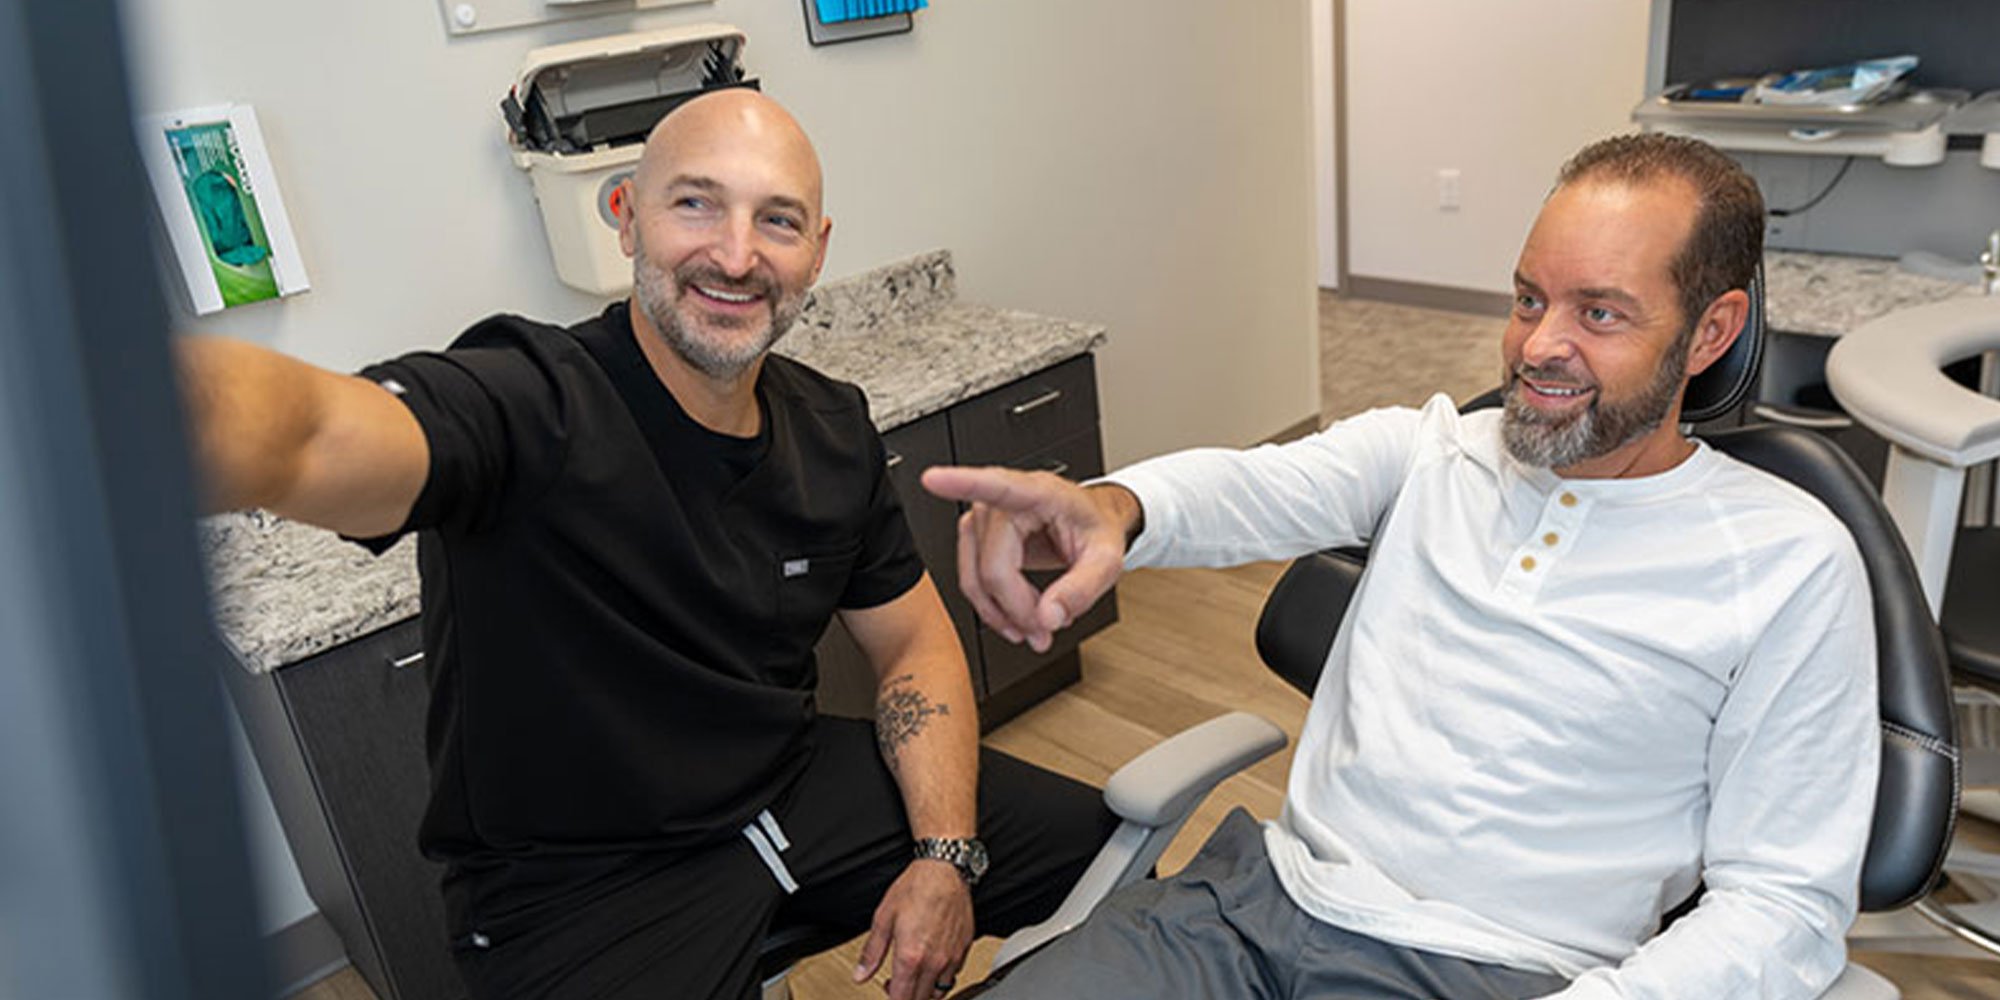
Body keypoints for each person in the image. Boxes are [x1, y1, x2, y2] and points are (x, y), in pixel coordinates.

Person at [177, 90, 1115, 1000]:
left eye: (778, 221)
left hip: (788, 788)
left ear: (818, 251)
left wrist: (945, 859)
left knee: (1109, 862)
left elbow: (912, 646)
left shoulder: (832, 430)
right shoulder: (531, 402)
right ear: (625, 218)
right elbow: (308, 433)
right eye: (695, 203)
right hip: (581, 880)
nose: (736, 254)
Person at [925, 133, 1878, 998]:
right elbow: (1249, 487)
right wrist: (1112, 510)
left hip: (1495, 971)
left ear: (1710, 332)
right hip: (1247, 910)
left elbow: (1784, 903)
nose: (1540, 346)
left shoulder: (1789, 563)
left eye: (1599, 313)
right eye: (1529, 299)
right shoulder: (1435, 452)